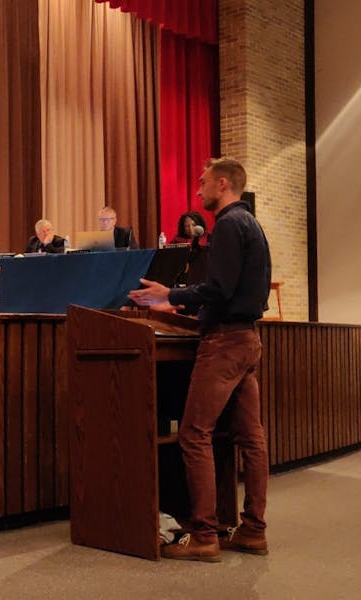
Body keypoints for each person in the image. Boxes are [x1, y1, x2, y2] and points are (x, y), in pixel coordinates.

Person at [128, 157, 272, 562]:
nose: (198, 190)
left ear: (222, 184)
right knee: (251, 439)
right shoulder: (252, 224)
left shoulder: (228, 224)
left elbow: (220, 288)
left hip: (224, 344)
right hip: (247, 339)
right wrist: (187, 307)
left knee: (194, 434)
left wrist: (169, 297)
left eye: (203, 182)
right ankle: (253, 531)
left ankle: (205, 535)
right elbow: (234, 290)